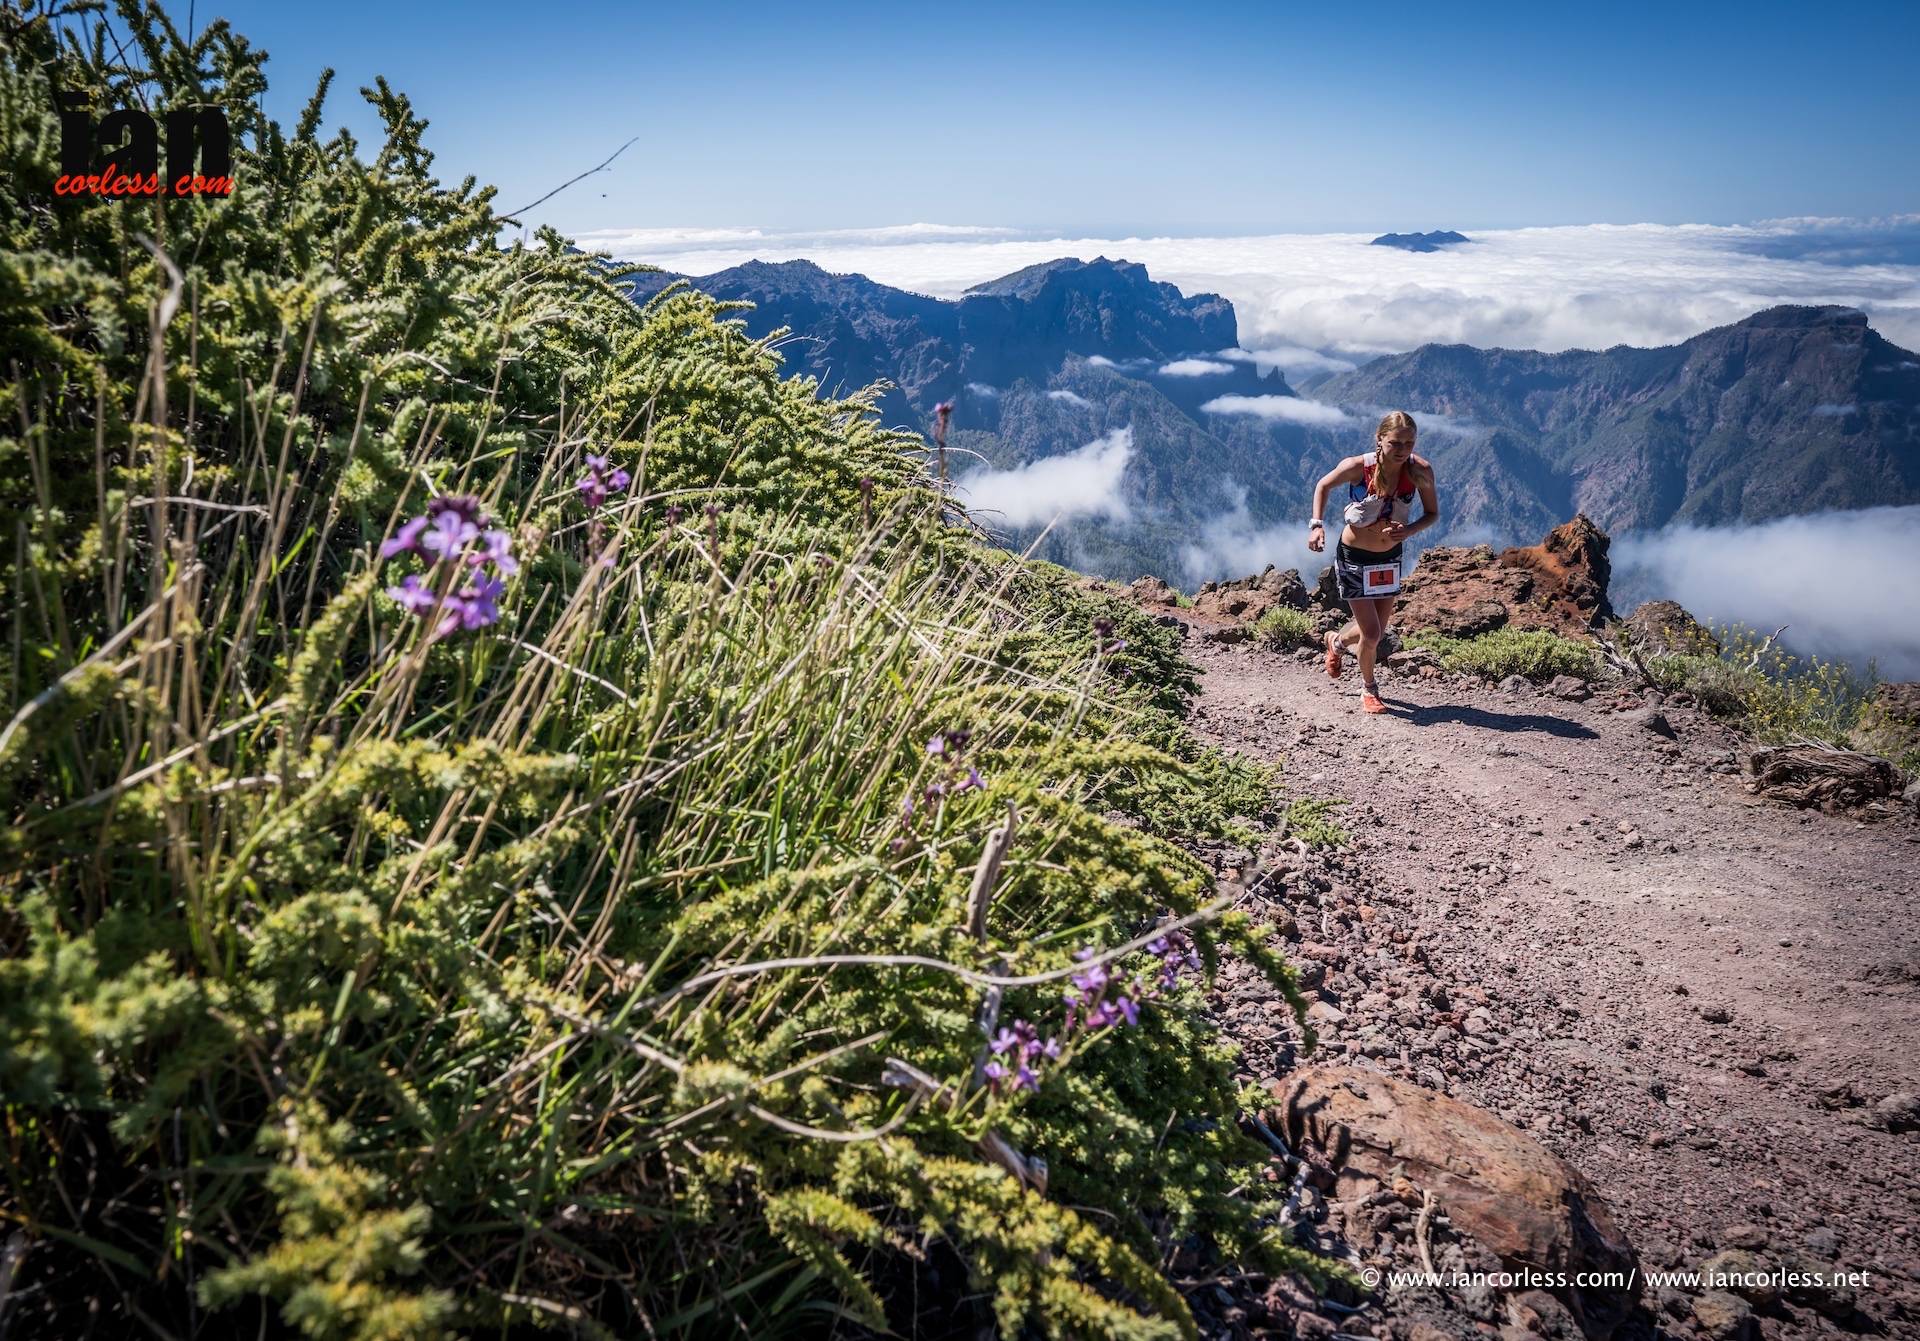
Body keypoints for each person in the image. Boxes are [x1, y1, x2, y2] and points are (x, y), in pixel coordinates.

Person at [1306, 411, 1440, 713]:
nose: (1403, 449)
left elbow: (1432, 514)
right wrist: (1316, 525)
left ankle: (1337, 643)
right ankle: (1369, 689)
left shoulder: (1419, 470)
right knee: (1371, 634)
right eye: (1395, 443)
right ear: (1380, 439)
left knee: (1377, 630)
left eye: (1409, 443)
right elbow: (1323, 485)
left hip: (1388, 559)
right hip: (1354, 557)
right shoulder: (1358, 467)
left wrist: (1409, 531)